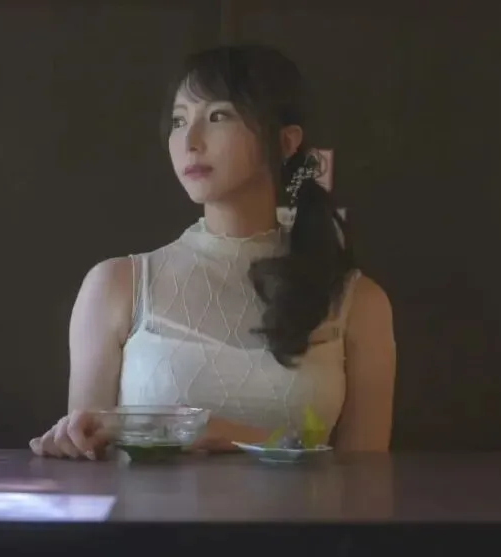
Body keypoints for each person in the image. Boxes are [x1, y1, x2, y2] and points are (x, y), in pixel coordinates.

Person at [29, 44, 396, 459]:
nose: (190, 140)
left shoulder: (357, 303)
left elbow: (366, 479)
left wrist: (225, 433)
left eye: (219, 116)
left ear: (285, 141)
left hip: (306, 507)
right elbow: (85, 459)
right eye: (179, 120)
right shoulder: (117, 286)